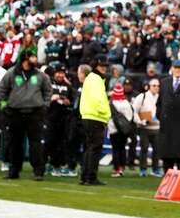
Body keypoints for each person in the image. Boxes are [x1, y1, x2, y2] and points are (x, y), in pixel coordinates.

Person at [0, 49, 52, 181]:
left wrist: (45, 105)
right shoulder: (11, 73)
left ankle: (38, 171)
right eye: (32, 57)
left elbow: (48, 90)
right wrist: (4, 106)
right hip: (15, 112)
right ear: (25, 59)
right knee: (15, 143)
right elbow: (2, 89)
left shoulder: (40, 75)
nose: (35, 59)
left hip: (35, 113)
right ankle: (14, 171)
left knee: (36, 144)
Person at [79, 55, 110, 186]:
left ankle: (85, 176)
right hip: (95, 117)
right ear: (96, 66)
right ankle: (91, 177)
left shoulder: (91, 78)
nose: (104, 68)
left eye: (105, 66)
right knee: (94, 148)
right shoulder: (96, 79)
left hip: (89, 116)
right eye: (101, 66)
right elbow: (97, 99)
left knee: (89, 147)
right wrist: (105, 112)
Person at [47, 64, 75, 177]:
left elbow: (73, 103)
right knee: (49, 142)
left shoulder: (68, 87)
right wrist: (51, 99)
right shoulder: (49, 85)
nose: (60, 75)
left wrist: (69, 103)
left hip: (64, 119)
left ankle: (57, 165)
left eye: (62, 73)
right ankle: (50, 164)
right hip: (49, 118)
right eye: (58, 72)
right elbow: (42, 99)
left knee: (61, 143)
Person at [132, 77, 161, 177]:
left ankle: (156, 169)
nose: (156, 87)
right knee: (144, 148)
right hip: (144, 127)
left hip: (157, 127)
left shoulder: (160, 97)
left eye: (158, 86)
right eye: (154, 85)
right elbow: (134, 111)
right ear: (149, 86)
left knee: (157, 150)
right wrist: (139, 121)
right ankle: (143, 169)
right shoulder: (142, 96)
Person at [107, 82, 133, 178]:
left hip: (113, 130)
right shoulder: (126, 103)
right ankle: (122, 167)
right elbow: (130, 117)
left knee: (115, 149)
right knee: (122, 148)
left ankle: (116, 168)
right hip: (124, 129)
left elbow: (108, 117)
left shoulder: (111, 102)